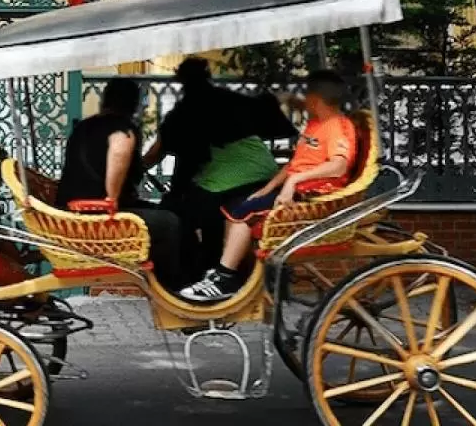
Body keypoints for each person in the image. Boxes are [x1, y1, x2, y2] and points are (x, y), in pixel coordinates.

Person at [177, 70, 358, 303]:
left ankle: (225, 278)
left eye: (306, 95)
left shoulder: (337, 127)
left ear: (314, 99)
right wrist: (269, 187)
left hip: (312, 195)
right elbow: (296, 163)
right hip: (299, 189)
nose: (302, 101)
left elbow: (339, 166)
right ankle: (232, 272)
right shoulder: (316, 124)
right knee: (238, 206)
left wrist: (292, 182)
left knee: (245, 212)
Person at [143, 57, 298, 279]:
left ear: (182, 81)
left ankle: (196, 272)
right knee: (204, 208)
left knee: (177, 214)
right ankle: (215, 265)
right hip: (265, 172)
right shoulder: (230, 99)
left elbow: (157, 153)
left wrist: (135, 168)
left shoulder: (184, 112)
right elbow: (268, 109)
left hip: (228, 179)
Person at [57, 78, 184, 289]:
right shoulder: (123, 129)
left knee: (161, 212)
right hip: (96, 216)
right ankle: (170, 289)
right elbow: (120, 147)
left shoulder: (84, 127)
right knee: (171, 221)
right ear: (133, 104)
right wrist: (112, 197)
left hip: (69, 211)